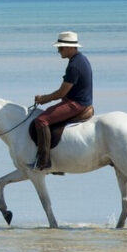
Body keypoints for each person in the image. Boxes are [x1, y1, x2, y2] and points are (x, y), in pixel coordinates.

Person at [31, 31, 93, 170]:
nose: (58, 51)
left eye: (61, 48)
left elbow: (61, 93)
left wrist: (44, 99)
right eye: (58, 48)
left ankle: (44, 161)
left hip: (77, 104)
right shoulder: (81, 59)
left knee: (41, 120)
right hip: (79, 101)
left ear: (71, 48)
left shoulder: (74, 66)